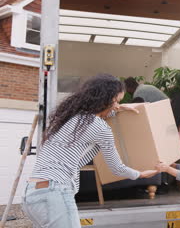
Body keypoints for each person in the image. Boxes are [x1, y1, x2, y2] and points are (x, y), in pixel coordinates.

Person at [22, 74, 159, 228]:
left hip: (32, 194)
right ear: (105, 100)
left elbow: (101, 115)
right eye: (116, 101)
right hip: (55, 192)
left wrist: (120, 108)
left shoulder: (71, 117)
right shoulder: (100, 128)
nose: (116, 105)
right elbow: (116, 168)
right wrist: (140, 174)